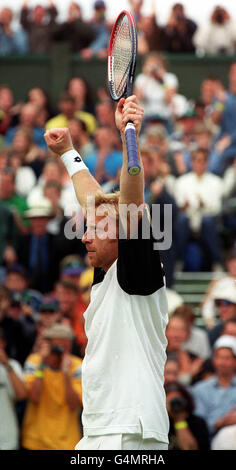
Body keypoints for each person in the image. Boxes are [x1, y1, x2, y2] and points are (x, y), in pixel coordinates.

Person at [44, 94, 169, 450]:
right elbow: (93, 200)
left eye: (97, 229)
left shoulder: (139, 274)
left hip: (132, 432)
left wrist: (130, 134)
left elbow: (130, 197)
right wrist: (68, 152)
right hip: (97, 431)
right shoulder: (105, 273)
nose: (85, 236)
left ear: (123, 234)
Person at [21, 323, 83, 450]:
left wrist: (66, 374)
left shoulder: (77, 366)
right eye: (57, 346)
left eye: (65, 346)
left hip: (66, 443)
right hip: (35, 441)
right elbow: (34, 397)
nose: (61, 351)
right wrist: (43, 365)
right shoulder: (35, 361)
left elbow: (75, 404)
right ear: (47, 344)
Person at [191, 335, 236, 442]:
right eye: (219, 358)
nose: (222, 363)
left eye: (227, 358)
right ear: (214, 360)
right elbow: (198, 425)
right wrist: (221, 422)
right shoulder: (200, 389)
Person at [0, 327, 26, 449]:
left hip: (7, 439)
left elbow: (22, 395)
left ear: (3, 343)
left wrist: (6, 365)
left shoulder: (13, 365)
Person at [165, 381, 210, 449]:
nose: (175, 405)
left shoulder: (198, 423)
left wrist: (179, 420)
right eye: (171, 401)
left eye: (177, 401)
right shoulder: (160, 424)